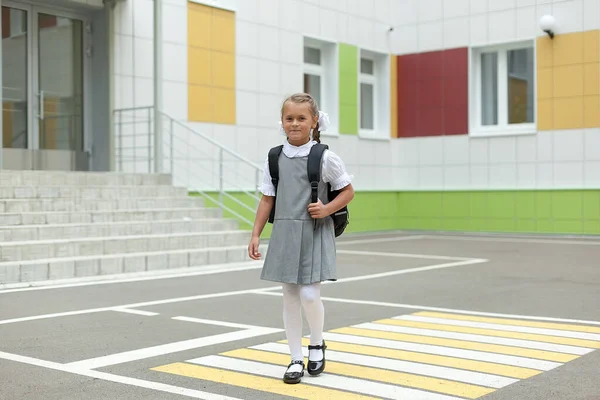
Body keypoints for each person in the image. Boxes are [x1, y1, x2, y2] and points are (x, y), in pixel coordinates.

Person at [248, 92, 354, 384]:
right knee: (290, 297)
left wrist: (327, 208)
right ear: (282, 122)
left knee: (309, 294)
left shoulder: (325, 157)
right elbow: (267, 199)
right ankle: (295, 357)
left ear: (314, 121)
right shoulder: (274, 158)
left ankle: (317, 342)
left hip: (314, 230)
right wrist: (256, 234)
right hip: (285, 232)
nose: (294, 123)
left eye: (301, 118)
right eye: (289, 118)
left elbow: (347, 191)